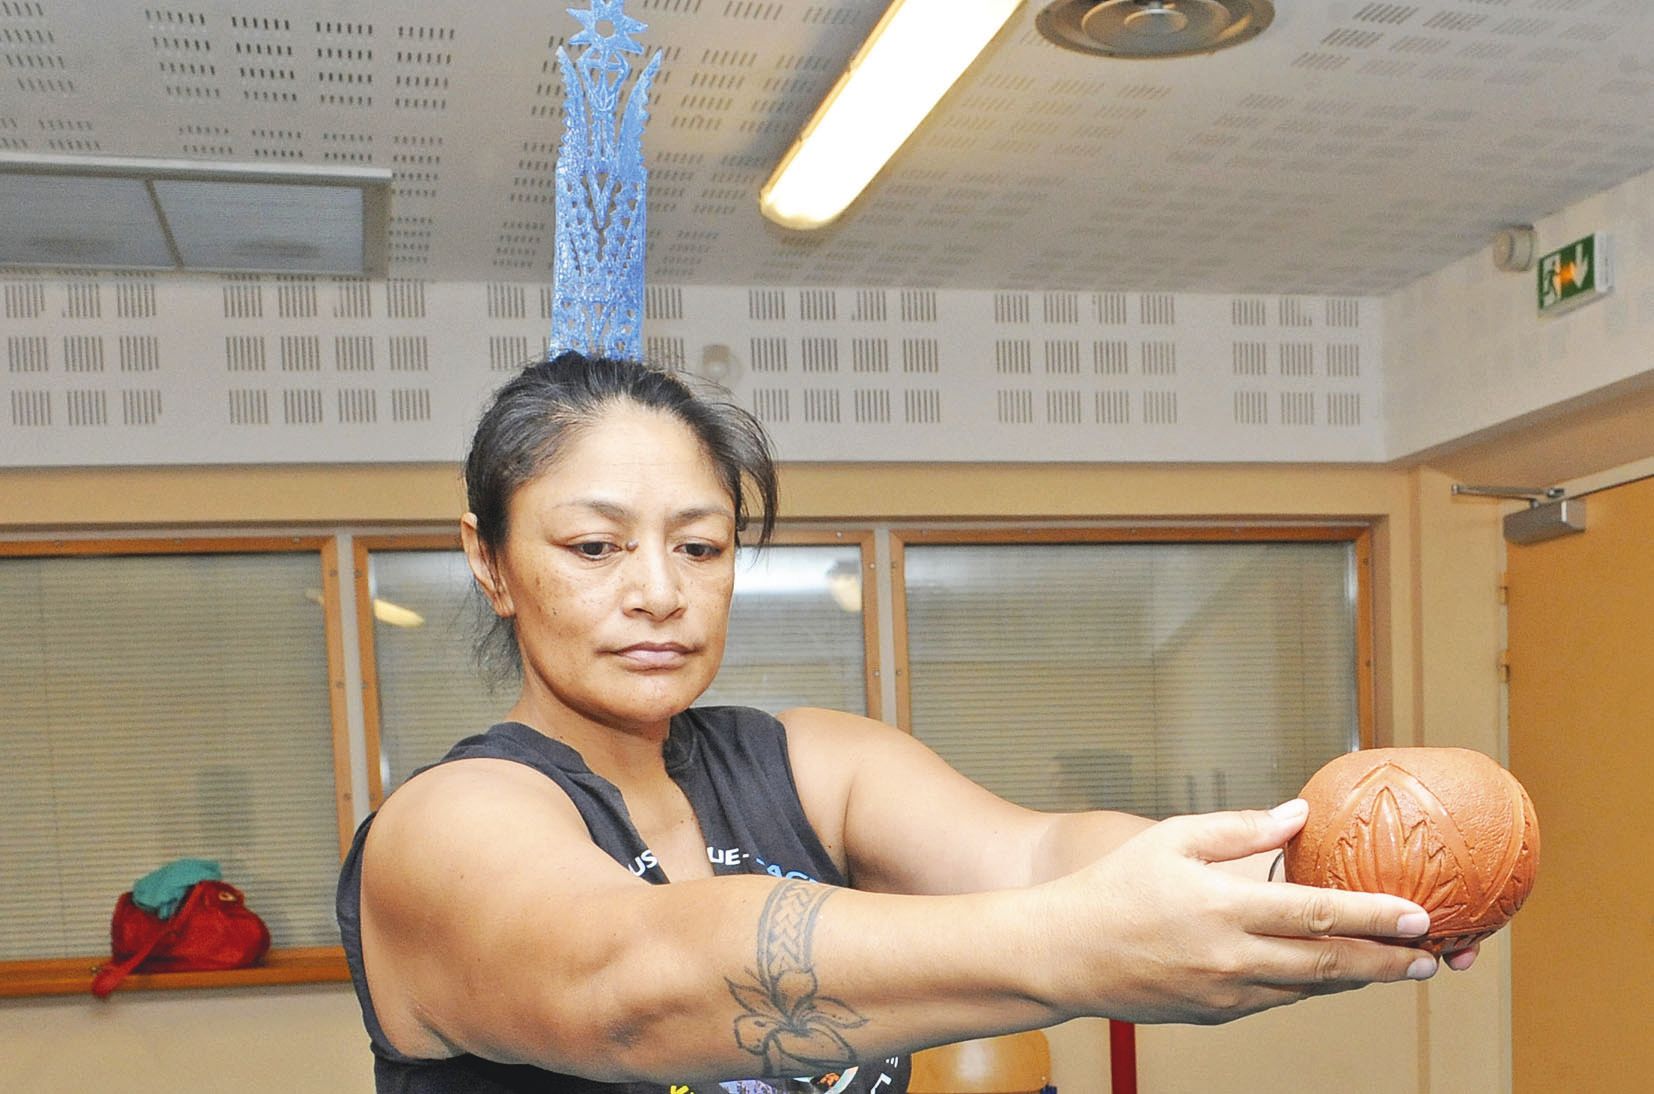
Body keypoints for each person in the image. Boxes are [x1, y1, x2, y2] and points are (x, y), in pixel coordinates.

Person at [337, 350, 1474, 1094]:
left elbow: (1035, 851)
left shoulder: (811, 760)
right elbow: (635, 985)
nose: (657, 590)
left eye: (700, 544)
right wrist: (1075, 945)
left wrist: (1287, 883)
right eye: (593, 546)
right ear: (488, 561)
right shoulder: (449, 822)